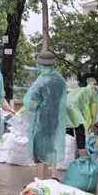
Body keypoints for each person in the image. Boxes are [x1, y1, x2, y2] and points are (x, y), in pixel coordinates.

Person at [23, 51, 67, 180]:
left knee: (39, 148)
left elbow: (32, 105)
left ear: (40, 64)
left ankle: (40, 179)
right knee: (52, 145)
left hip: (41, 121)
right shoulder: (60, 80)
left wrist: (27, 103)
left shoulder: (41, 82)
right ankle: (54, 174)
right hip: (55, 119)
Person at [66, 83, 98, 157]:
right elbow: (94, 110)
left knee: (68, 135)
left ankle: (68, 156)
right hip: (75, 110)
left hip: (65, 109)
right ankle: (82, 158)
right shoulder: (93, 94)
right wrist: (93, 122)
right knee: (80, 133)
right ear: (94, 88)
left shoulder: (80, 89)